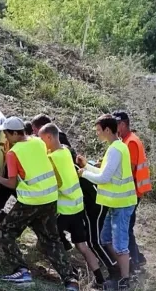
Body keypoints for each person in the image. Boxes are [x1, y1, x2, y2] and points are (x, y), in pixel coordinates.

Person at [0, 116, 80, 290]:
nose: (5, 137)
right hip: (50, 198)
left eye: (6, 133)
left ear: (14, 133)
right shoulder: (38, 142)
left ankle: (21, 270)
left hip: (31, 200)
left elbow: (12, 183)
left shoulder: (14, 153)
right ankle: (70, 280)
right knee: (51, 239)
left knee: (4, 232)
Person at [38, 123, 106, 288]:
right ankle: (100, 279)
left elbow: (56, 182)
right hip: (77, 207)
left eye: (41, 139)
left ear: (49, 137)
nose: (41, 143)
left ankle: (70, 273)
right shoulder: (66, 152)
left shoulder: (51, 159)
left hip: (63, 210)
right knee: (82, 245)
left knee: (50, 241)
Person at [76, 114, 138, 290]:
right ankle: (124, 268)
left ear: (107, 130)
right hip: (115, 203)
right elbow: (104, 171)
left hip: (122, 204)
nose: (97, 134)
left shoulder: (116, 150)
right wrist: (86, 165)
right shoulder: (116, 147)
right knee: (105, 239)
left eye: (98, 130)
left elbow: (103, 177)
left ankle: (125, 279)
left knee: (119, 243)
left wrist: (83, 173)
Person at [112, 111, 151, 273]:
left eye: (115, 125)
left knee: (126, 227)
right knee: (127, 226)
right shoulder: (126, 140)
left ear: (122, 124)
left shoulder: (131, 142)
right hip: (132, 191)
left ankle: (134, 262)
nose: (114, 129)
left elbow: (130, 168)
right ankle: (138, 258)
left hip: (132, 192)